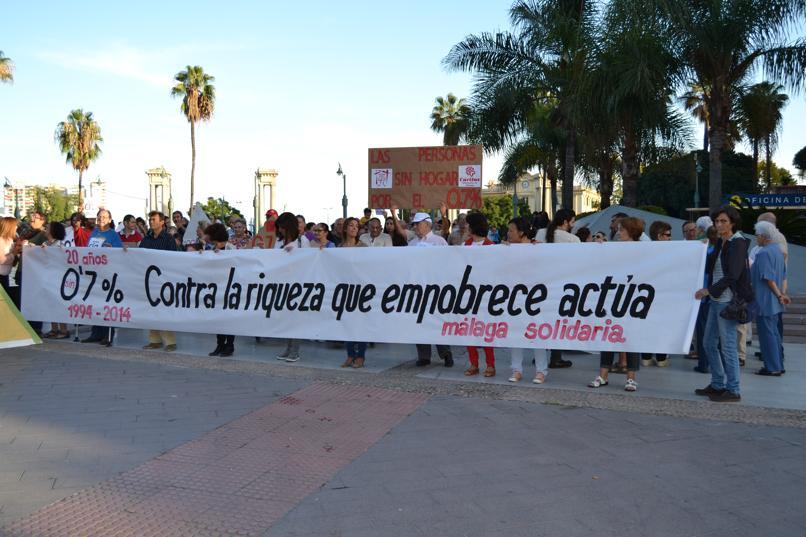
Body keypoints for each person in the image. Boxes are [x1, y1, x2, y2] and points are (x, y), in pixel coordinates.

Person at [694, 206, 752, 403]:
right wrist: (702, 249)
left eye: (723, 221)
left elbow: (733, 275)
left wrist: (708, 290)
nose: (719, 225)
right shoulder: (721, 241)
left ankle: (733, 389)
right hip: (717, 300)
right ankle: (718, 384)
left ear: (732, 223)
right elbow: (711, 266)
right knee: (708, 343)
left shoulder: (738, 242)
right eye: (717, 221)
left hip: (727, 301)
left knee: (727, 346)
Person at [588, 217, 646, 392]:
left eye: (622, 229)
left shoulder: (642, 249)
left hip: (632, 297)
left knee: (630, 337)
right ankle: (603, 375)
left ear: (631, 231)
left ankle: (631, 378)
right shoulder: (614, 247)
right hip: (612, 296)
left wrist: (698, 247)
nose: (618, 232)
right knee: (608, 334)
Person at [505, 217, 550, 383]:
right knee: (516, 332)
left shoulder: (536, 247)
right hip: (514, 297)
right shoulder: (506, 249)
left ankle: (541, 371)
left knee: (537, 332)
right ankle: (516, 369)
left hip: (535, 297)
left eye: (511, 230)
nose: (508, 234)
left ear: (521, 232)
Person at [407, 211, 453, 367]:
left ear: (427, 224)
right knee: (419, 322)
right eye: (414, 224)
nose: (415, 227)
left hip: (436, 288)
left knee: (438, 322)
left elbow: (448, 263)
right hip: (417, 289)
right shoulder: (412, 243)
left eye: (417, 224)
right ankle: (424, 356)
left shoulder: (439, 241)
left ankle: (446, 353)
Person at [535, 209, 578, 368]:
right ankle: (556, 356)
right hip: (562, 286)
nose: (573, 224)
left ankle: (539, 355)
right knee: (559, 321)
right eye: (572, 221)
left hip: (541, 284)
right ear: (566, 222)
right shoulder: (573, 239)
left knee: (542, 319)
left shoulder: (540, 233)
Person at [751, 221, 789, 376]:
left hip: (765, 300)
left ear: (764, 236)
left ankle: (772, 367)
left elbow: (768, 278)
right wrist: (782, 294)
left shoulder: (764, 253)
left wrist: (779, 294)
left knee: (767, 336)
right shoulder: (778, 251)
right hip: (774, 301)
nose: (755, 238)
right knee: (774, 334)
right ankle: (778, 365)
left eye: (757, 235)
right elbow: (784, 276)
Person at [462, 213, 496, 377]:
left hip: (486, 296)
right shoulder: (465, 245)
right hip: (468, 295)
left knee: (486, 331)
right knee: (469, 331)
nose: (466, 227)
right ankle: (473, 363)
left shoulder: (491, 247)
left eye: (468, 224)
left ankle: (490, 364)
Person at [141, 211, 179, 352]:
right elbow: (139, 256)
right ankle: (154, 340)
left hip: (164, 279)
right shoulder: (146, 239)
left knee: (164, 310)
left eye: (154, 219)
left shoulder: (168, 239)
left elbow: (172, 258)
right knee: (151, 309)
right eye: (150, 219)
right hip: (148, 279)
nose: (151, 222)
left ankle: (170, 342)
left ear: (162, 222)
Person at [275, 212, 310, 362]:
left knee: (296, 318)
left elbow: (308, 260)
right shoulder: (278, 241)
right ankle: (288, 348)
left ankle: (294, 350)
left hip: (298, 283)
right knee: (287, 318)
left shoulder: (302, 241)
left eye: (282, 227)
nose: (281, 230)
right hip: (283, 283)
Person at [338, 217, 369, 367]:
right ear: (345, 228)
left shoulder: (363, 247)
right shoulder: (339, 248)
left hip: (360, 290)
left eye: (356, 226)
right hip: (345, 290)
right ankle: (350, 355)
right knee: (348, 324)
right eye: (351, 225)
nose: (354, 228)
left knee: (360, 323)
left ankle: (360, 356)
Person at [204, 223, 237, 357]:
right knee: (218, 317)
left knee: (228, 318)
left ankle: (229, 345)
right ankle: (220, 344)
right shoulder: (212, 249)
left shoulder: (231, 248)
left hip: (229, 288)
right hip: (216, 288)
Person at [643, 221, 673, 367]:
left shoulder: (645, 250)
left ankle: (646, 356)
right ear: (659, 235)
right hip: (662, 295)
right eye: (668, 235)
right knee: (662, 326)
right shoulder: (670, 251)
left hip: (648, 295)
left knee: (649, 325)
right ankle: (661, 358)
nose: (670, 238)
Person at [42, 222, 70, 339]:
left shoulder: (60, 244)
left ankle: (64, 330)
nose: (45, 229)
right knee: (50, 303)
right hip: (48, 277)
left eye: (47, 228)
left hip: (59, 278)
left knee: (59, 304)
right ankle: (54, 329)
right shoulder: (44, 244)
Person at [0, 216, 18, 298]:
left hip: (5, 275)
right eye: (15, 225)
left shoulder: (10, 240)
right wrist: (14, 254)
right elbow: (2, 260)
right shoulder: (1, 240)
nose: (17, 227)